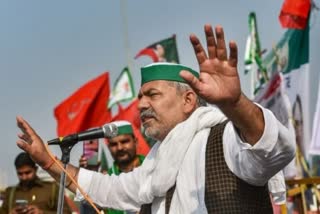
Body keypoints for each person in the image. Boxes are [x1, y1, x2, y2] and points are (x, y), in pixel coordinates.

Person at [16, 24, 295, 213]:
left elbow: (273, 149)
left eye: (152, 95)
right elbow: (104, 187)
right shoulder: (156, 162)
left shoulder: (224, 137)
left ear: (188, 100)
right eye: (139, 97)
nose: (141, 105)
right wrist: (46, 160)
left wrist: (235, 104)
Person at [79, 121, 145, 214]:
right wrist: (88, 179)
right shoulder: (105, 179)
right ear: (108, 147)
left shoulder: (152, 167)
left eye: (124, 141)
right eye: (114, 144)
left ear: (135, 142)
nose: (120, 148)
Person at [0, 152, 70, 214]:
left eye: (27, 173)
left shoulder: (52, 189)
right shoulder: (10, 193)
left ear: (35, 169)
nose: (24, 177)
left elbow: (66, 212)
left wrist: (42, 213)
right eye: (20, 174)